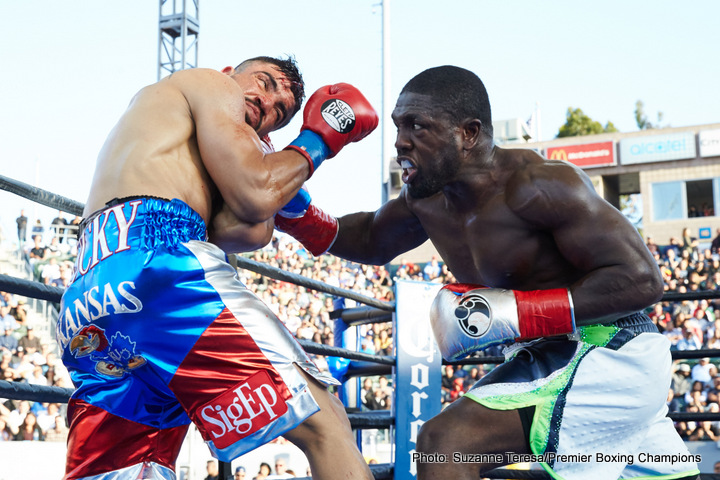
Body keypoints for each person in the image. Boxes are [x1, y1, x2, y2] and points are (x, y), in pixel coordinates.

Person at [277, 65, 699, 479]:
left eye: (416, 127)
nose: (401, 143)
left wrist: (518, 313)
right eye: (397, 127)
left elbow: (642, 280)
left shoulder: (541, 186)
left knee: (443, 448)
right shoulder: (424, 199)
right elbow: (371, 237)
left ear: (468, 134)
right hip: (547, 356)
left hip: (612, 352)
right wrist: (294, 213)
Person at [57, 55, 377, 480]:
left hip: (90, 294)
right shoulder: (212, 84)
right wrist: (317, 142)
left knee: (128, 469)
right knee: (325, 423)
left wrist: (274, 176)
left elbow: (244, 230)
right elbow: (257, 195)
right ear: (231, 73)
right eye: (264, 82)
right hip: (161, 266)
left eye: (279, 112)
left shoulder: (179, 139)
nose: (268, 102)